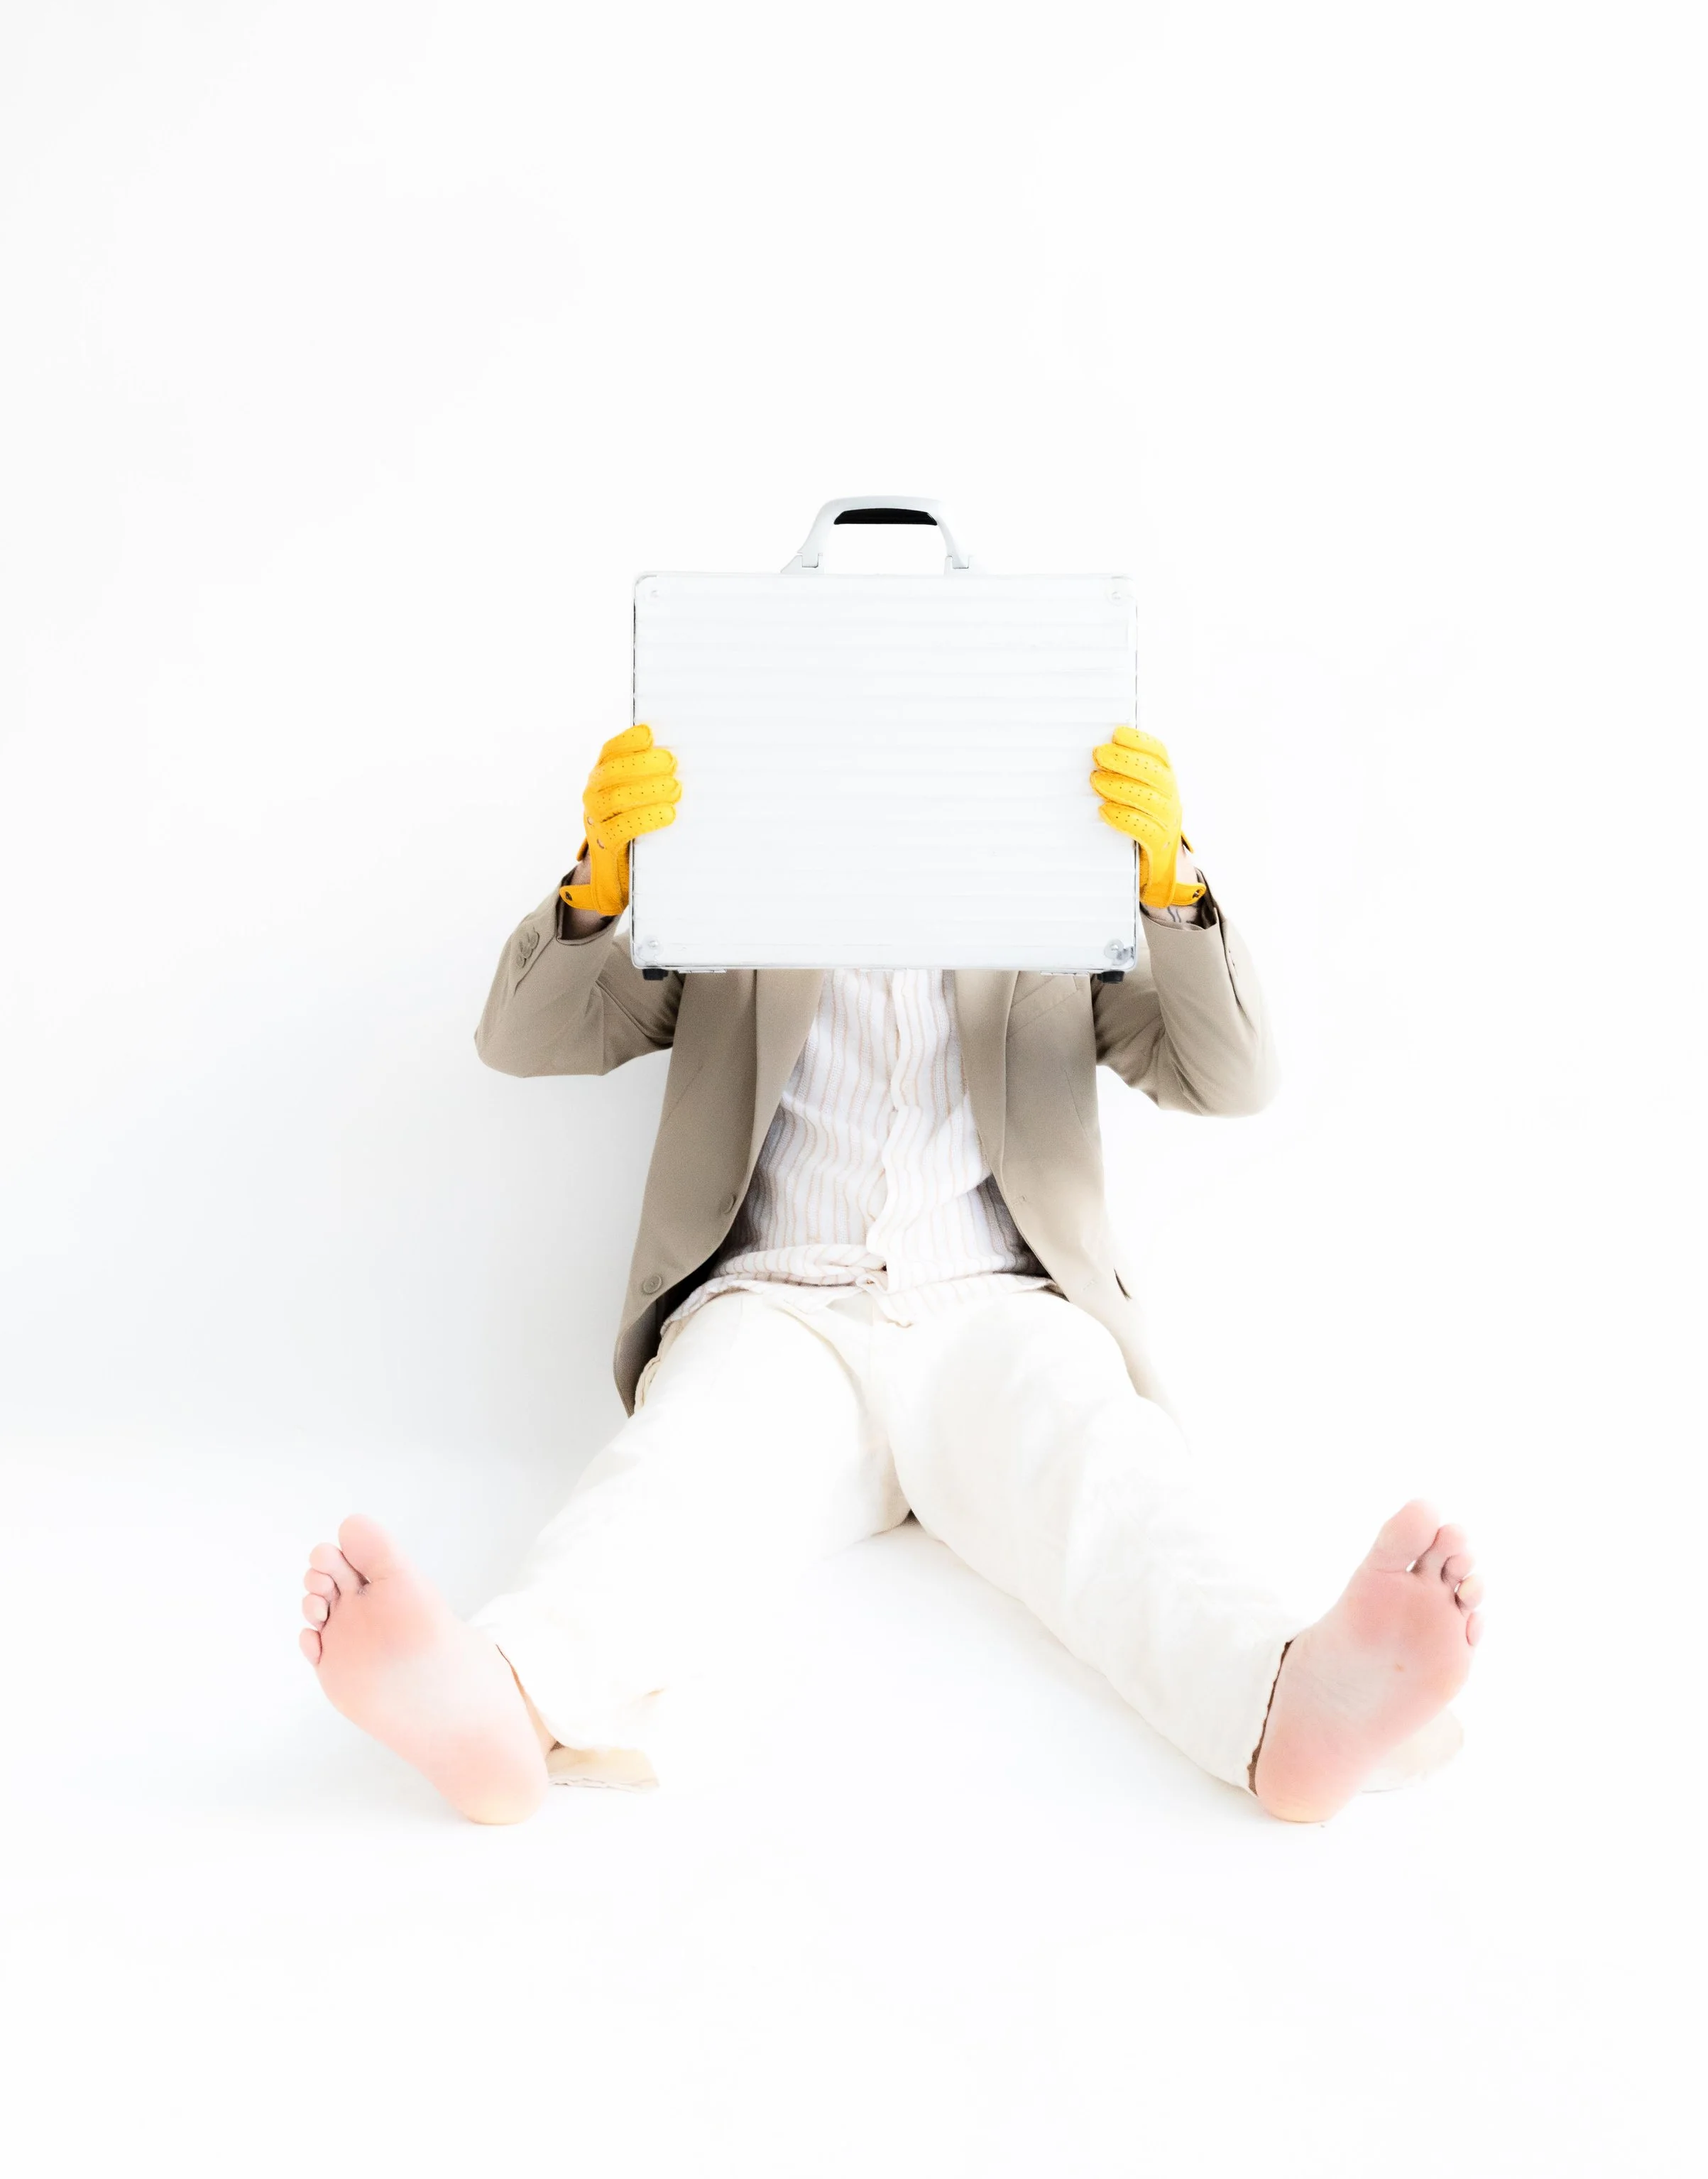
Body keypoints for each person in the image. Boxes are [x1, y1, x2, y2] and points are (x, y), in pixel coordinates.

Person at [297, 721, 1483, 1824]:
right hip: (779, 1305)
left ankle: (1286, 1704)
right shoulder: (735, 869)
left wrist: (1172, 886)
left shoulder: (1051, 880)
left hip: (1000, 1305)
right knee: (676, 1482)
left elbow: (1230, 1075)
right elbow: (525, 1039)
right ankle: (503, 1697)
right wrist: (597, 886)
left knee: (1112, 1481)